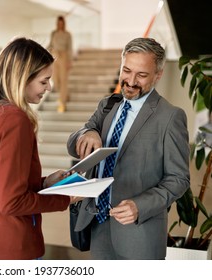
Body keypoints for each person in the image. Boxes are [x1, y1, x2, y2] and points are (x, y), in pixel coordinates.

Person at [67, 37, 190, 260]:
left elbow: (178, 179)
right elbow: (72, 143)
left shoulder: (170, 117)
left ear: (158, 75)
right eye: (126, 70)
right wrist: (87, 133)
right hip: (98, 225)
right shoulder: (107, 105)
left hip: (139, 234)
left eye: (141, 75)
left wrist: (139, 206)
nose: (131, 81)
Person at [0, 37, 81, 260]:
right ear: (22, 79)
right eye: (44, 81)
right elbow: (12, 202)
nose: (48, 87)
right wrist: (67, 198)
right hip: (12, 249)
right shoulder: (14, 120)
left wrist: (45, 183)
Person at [48, 15, 73, 113]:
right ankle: (66, 95)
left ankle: (62, 103)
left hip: (64, 56)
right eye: (59, 23)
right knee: (55, 80)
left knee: (63, 80)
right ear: (57, 24)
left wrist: (69, 61)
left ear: (64, 24)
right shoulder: (53, 33)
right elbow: (50, 44)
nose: (60, 25)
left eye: (62, 23)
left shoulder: (67, 34)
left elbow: (70, 48)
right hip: (55, 55)